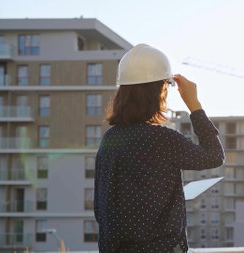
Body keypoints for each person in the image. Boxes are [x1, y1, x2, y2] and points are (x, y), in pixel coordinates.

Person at [94, 44, 225, 253]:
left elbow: (105, 205)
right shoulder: (162, 140)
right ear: (158, 93)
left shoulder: (110, 139)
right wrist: (194, 105)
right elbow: (214, 156)